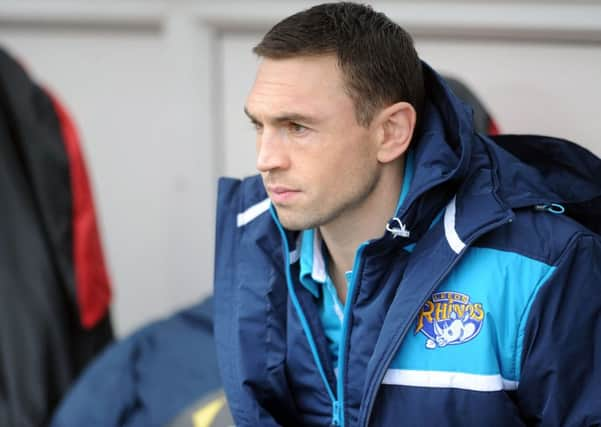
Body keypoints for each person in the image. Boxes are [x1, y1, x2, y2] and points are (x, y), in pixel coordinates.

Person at [213, 2, 601, 426]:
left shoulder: (543, 265)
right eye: (259, 126)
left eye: (297, 128)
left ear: (391, 132)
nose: (266, 159)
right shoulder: (254, 236)